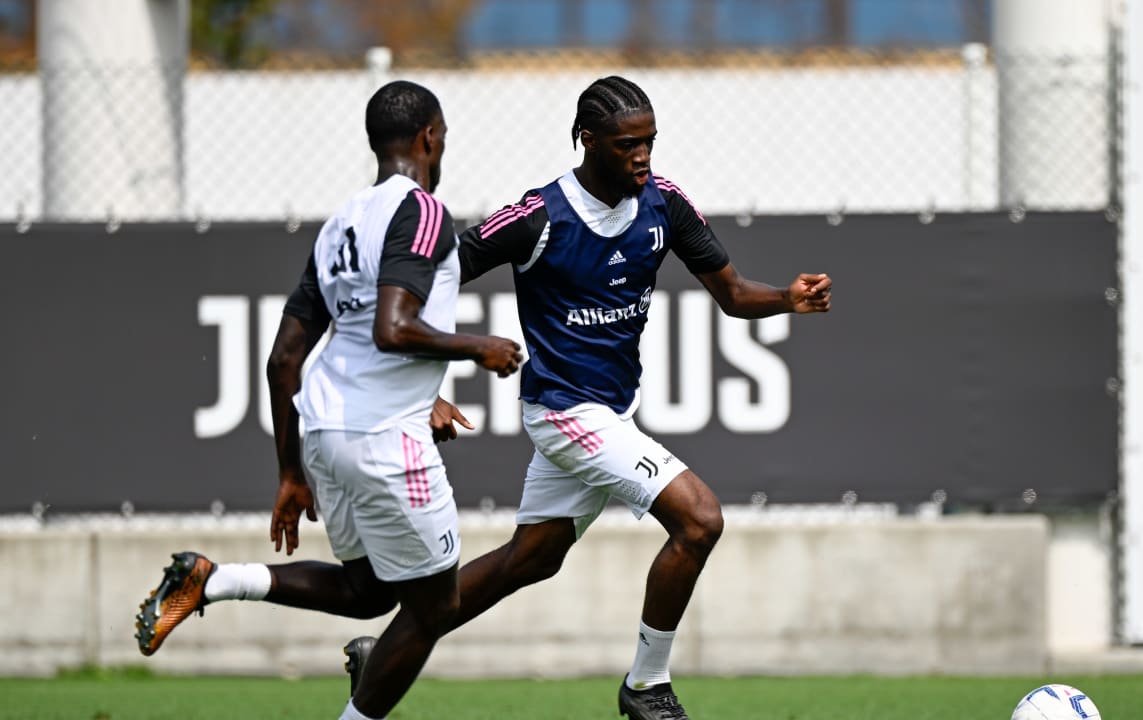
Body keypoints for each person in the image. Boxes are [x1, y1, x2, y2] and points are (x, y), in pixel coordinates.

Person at [345, 75, 832, 720]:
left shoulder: (664, 205)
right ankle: (647, 686)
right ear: (587, 140)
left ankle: (384, 653)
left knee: (532, 559)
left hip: (611, 409)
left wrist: (787, 299)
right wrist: (423, 386)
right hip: (563, 412)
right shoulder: (538, 217)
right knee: (700, 519)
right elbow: (430, 278)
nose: (643, 156)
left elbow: (734, 292)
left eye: (650, 142)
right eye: (627, 144)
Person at [132, 79, 523, 720]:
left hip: (324, 434)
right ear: (429, 136)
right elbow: (392, 328)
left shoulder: (341, 223)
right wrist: (479, 347)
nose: (444, 145)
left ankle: (216, 579)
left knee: (369, 590)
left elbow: (284, 360)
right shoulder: (422, 211)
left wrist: (291, 472)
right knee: (436, 607)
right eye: (443, 135)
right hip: (382, 440)